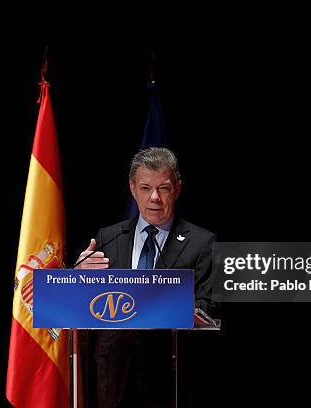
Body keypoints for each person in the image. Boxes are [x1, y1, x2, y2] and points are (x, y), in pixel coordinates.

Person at [75, 147, 218, 408]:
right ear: (132, 188)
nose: (154, 198)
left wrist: (167, 306)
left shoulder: (202, 243)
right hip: (112, 374)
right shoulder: (109, 238)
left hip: (169, 373)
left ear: (177, 188)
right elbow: (88, 304)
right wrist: (78, 278)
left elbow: (208, 307)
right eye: (145, 188)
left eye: (163, 188)